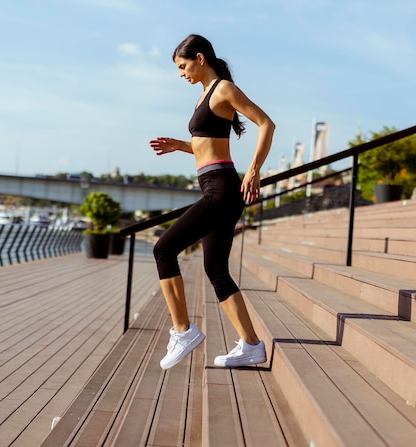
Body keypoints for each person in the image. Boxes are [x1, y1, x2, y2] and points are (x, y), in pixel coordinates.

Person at [149, 34, 275, 370]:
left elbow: (267, 123)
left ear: (200, 58)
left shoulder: (223, 89)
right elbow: (208, 144)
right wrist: (181, 144)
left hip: (222, 187)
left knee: (163, 249)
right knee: (215, 268)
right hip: (213, 185)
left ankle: (183, 330)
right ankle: (251, 345)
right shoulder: (205, 95)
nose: (181, 73)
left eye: (183, 65)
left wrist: (254, 171)